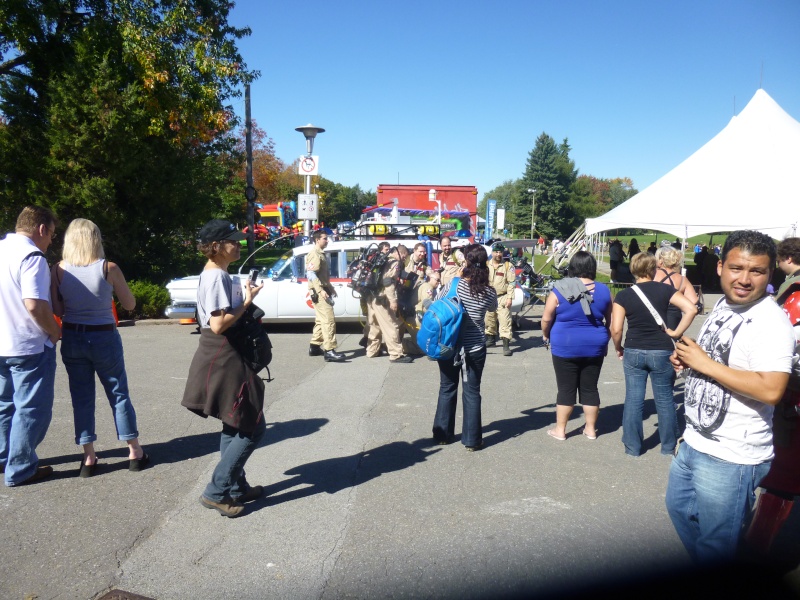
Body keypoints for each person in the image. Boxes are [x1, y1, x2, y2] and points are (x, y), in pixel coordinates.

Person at [666, 230, 795, 562]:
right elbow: (719, 357)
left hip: (732, 455)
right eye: (737, 268)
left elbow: (771, 389)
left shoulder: (771, 322)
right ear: (721, 266)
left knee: (717, 544)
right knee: (680, 510)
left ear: (771, 274)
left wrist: (705, 365)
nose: (744, 279)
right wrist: (690, 360)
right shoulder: (724, 303)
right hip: (695, 439)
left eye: (757, 271)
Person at [181, 219, 267, 518]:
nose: (239, 244)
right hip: (222, 353)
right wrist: (247, 302)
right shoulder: (215, 275)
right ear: (216, 246)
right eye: (233, 240)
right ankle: (217, 491)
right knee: (252, 425)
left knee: (235, 421)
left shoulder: (219, 273)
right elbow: (218, 324)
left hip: (222, 353)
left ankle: (235, 487)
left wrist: (243, 298)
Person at [51, 219, 147, 476]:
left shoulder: (58, 270)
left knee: (81, 399)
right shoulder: (108, 268)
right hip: (103, 336)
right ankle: (134, 450)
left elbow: (58, 310)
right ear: (96, 239)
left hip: (72, 336)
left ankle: (89, 457)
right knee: (118, 393)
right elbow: (128, 304)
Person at [744, 237, 800, 554]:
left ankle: (756, 547)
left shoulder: (795, 298)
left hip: (792, 398)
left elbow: (784, 350)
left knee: (783, 477)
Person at [610, 253, 697, 457]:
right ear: (653, 269)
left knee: (633, 398)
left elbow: (616, 329)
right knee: (665, 398)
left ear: (633, 270)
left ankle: (633, 446)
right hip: (661, 349)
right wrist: (676, 332)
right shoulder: (666, 290)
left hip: (634, 348)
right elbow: (691, 308)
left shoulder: (624, 295)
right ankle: (667, 446)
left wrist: (618, 347)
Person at [0, 206, 62, 486]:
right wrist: (54, 331)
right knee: (31, 409)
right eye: (52, 234)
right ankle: (21, 468)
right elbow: (34, 304)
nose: (51, 241)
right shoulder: (32, 257)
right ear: (41, 229)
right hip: (26, 345)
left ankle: (4, 458)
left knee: (3, 405)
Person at [541, 251, 612, 441]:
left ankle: (560, 430)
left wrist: (545, 335)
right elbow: (610, 321)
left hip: (565, 344)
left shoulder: (560, 289)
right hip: (595, 344)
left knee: (566, 389)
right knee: (590, 388)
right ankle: (590, 429)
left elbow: (547, 318)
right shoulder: (604, 290)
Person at [432, 245, 497, 450]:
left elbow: (436, 302)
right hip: (475, 346)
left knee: (447, 387)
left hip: (450, 344)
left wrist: (458, 278)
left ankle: (443, 434)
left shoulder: (455, 285)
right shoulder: (488, 291)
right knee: (472, 391)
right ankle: (472, 440)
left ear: (466, 263)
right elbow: (493, 308)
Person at [366, 243, 413, 363]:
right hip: (382, 298)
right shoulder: (394, 263)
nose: (404, 259)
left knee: (375, 325)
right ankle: (396, 354)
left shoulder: (383, 259)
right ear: (401, 253)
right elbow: (388, 282)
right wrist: (393, 300)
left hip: (372, 297)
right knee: (391, 325)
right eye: (404, 256)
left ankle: (372, 351)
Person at [305, 230, 344, 362]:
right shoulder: (315, 254)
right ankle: (329, 350)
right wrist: (321, 290)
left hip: (323, 289)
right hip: (319, 291)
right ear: (317, 239)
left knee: (321, 320)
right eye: (325, 238)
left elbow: (322, 275)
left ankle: (315, 346)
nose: (327, 241)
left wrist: (331, 288)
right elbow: (311, 274)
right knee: (328, 320)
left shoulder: (320, 253)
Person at [654, 246, 700, 330]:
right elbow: (694, 302)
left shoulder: (652, 275)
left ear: (660, 260)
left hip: (654, 319)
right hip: (674, 321)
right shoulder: (682, 279)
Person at [484, 243, 516, 356]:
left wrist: (510, 298)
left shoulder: (508, 266)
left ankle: (506, 345)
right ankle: (490, 340)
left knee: (504, 321)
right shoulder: (486, 265)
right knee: (489, 320)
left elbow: (512, 282)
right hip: (489, 296)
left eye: (500, 252)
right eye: (496, 252)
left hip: (502, 297)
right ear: (492, 252)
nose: (498, 254)